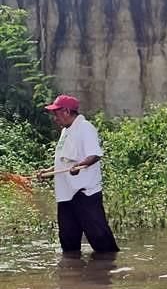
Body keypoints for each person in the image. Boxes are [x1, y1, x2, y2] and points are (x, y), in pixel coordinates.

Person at [36, 94, 120, 254]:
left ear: (67, 111)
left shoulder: (85, 128)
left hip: (85, 193)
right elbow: (64, 161)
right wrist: (48, 171)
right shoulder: (65, 131)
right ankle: (71, 274)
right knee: (68, 240)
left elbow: (95, 155)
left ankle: (109, 269)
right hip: (66, 195)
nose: (55, 118)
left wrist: (79, 166)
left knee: (100, 238)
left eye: (56, 113)